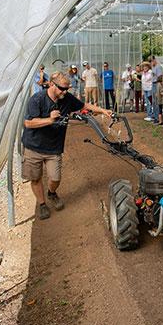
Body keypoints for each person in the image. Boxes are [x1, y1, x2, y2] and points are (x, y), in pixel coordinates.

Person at [22, 71, 112, 220]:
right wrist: (49, 120)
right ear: (51, 84)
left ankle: (51, 193)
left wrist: (102, 110)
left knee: (55, 178)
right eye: (62, 88)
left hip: (53, 147)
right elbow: (28, 123)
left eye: (67, 89)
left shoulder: (66, 98)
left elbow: (84, 105)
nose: (65, 91)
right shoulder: (37, 99)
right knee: (36, 178)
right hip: (33, 147)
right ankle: (42, 204)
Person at [150, 56, 163, 125]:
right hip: (153, 84)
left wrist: (161, 88)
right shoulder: (153, 67)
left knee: (158, 102)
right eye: (150, 61)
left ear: (155, 60)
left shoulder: (158, 67)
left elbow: (160, 77)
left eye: (152, 60)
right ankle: (155, 118)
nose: (151, 62)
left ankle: (159, 119)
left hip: (157, 84)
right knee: (154, 102)